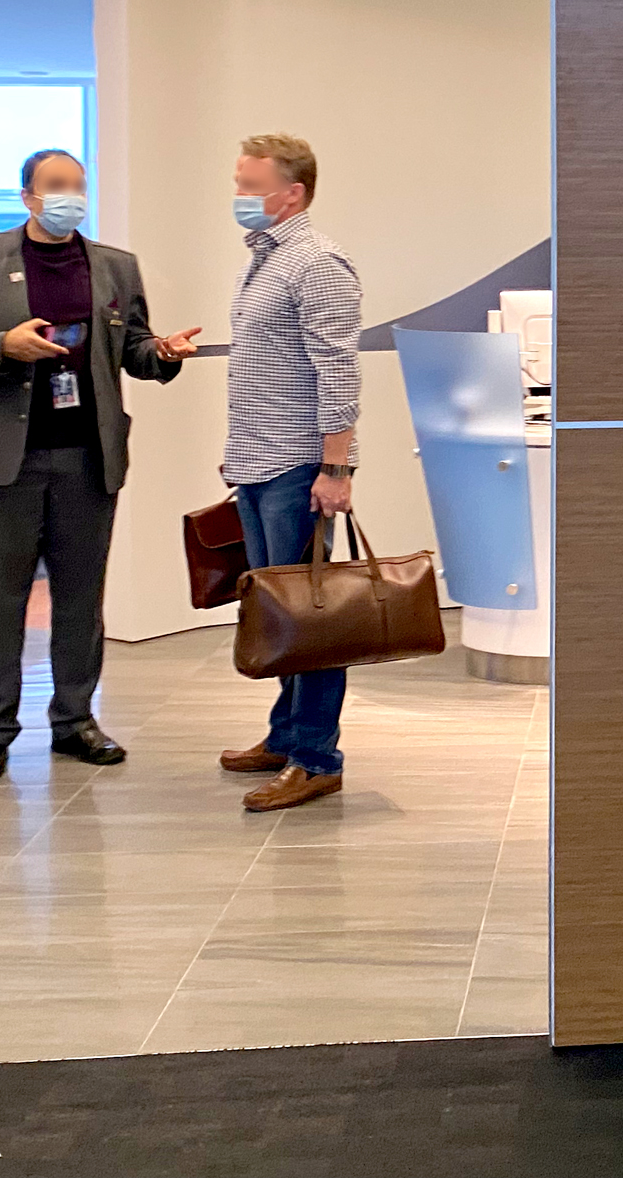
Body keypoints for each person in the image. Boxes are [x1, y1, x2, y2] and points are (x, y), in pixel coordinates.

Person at [0, 148, 201, 784]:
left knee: (81, 599)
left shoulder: (114, 267)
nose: (69, 196)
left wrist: (165, 352)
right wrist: (3, 346)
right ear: (27, 197)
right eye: (55, 186)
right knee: (0, 602)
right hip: (2, 461)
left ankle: (75, 720)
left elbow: (132, 351)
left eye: (78, 186)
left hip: (86, 457)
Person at [214, 132, 363, 812]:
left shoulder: (318, 264)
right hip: (255, 461)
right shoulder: (265, 260)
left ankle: (315, 756)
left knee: (310, 616)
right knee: (280, 616)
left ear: (291, 192)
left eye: (249, 184)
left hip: (298, 467)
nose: (239, 195)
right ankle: (285, 733)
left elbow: (337, 373)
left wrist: (337, 465)